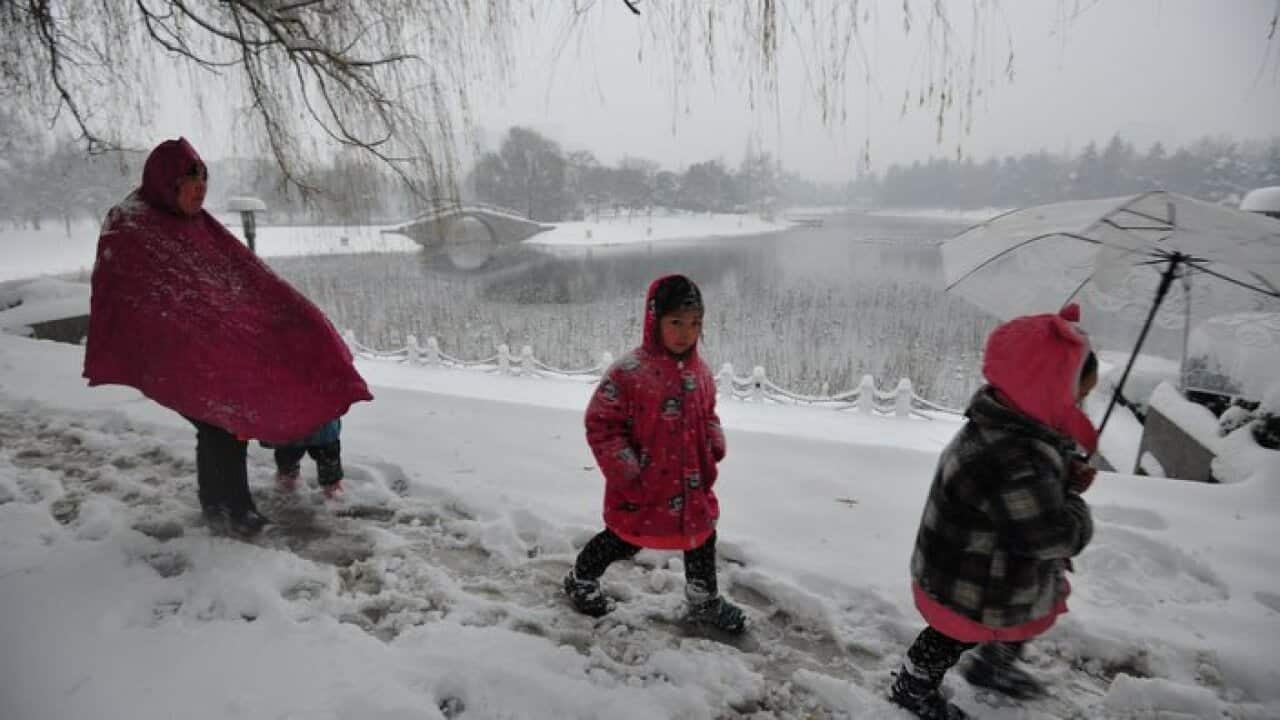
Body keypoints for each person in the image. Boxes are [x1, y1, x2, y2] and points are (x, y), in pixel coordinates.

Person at [83, 138, 372, 535]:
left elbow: (242, 282)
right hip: (171, 353)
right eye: (191, 181)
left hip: (209, 354)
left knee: (224, 425)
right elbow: (133, 295)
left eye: (204, 180)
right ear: (167, 182)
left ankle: (226, 510)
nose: (201, 188)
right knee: (219, 425)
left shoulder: (198, 225)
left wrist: (293, 321)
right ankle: (231, 514)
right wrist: (190, 335)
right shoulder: (132, 223)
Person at [888, 304, 1098, 719]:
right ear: (1047, 388)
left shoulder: (1005, 422)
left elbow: (1024, 499)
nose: (1080, 404)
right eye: (1078, 394)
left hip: (985, 567)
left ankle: (994, 664)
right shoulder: (1015, 456)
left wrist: (1061, 474)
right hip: (970, 582)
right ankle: (912, 688)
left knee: (1012, 618)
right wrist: (1073, 501)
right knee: (953, 633)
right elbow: (1050, 535)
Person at [564, 274, 745, 634]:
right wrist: (627, 470)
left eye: (694, 323)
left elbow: (708, 412)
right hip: (644, 489)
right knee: (622, 539)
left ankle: (704, 601)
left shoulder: (701, 373)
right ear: (654, 320)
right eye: (675, 322)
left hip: (691, 487)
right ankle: (581, 579)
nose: (685, 332)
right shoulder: (629, 373)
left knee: (701, 539)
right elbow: (601, 424)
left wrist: (713, 440)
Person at [264, 417, 345, 500]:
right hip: (324, 431)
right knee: (332, 484)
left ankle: (285, 499)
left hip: (290, 430)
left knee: (286, 477)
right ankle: (335, 502)